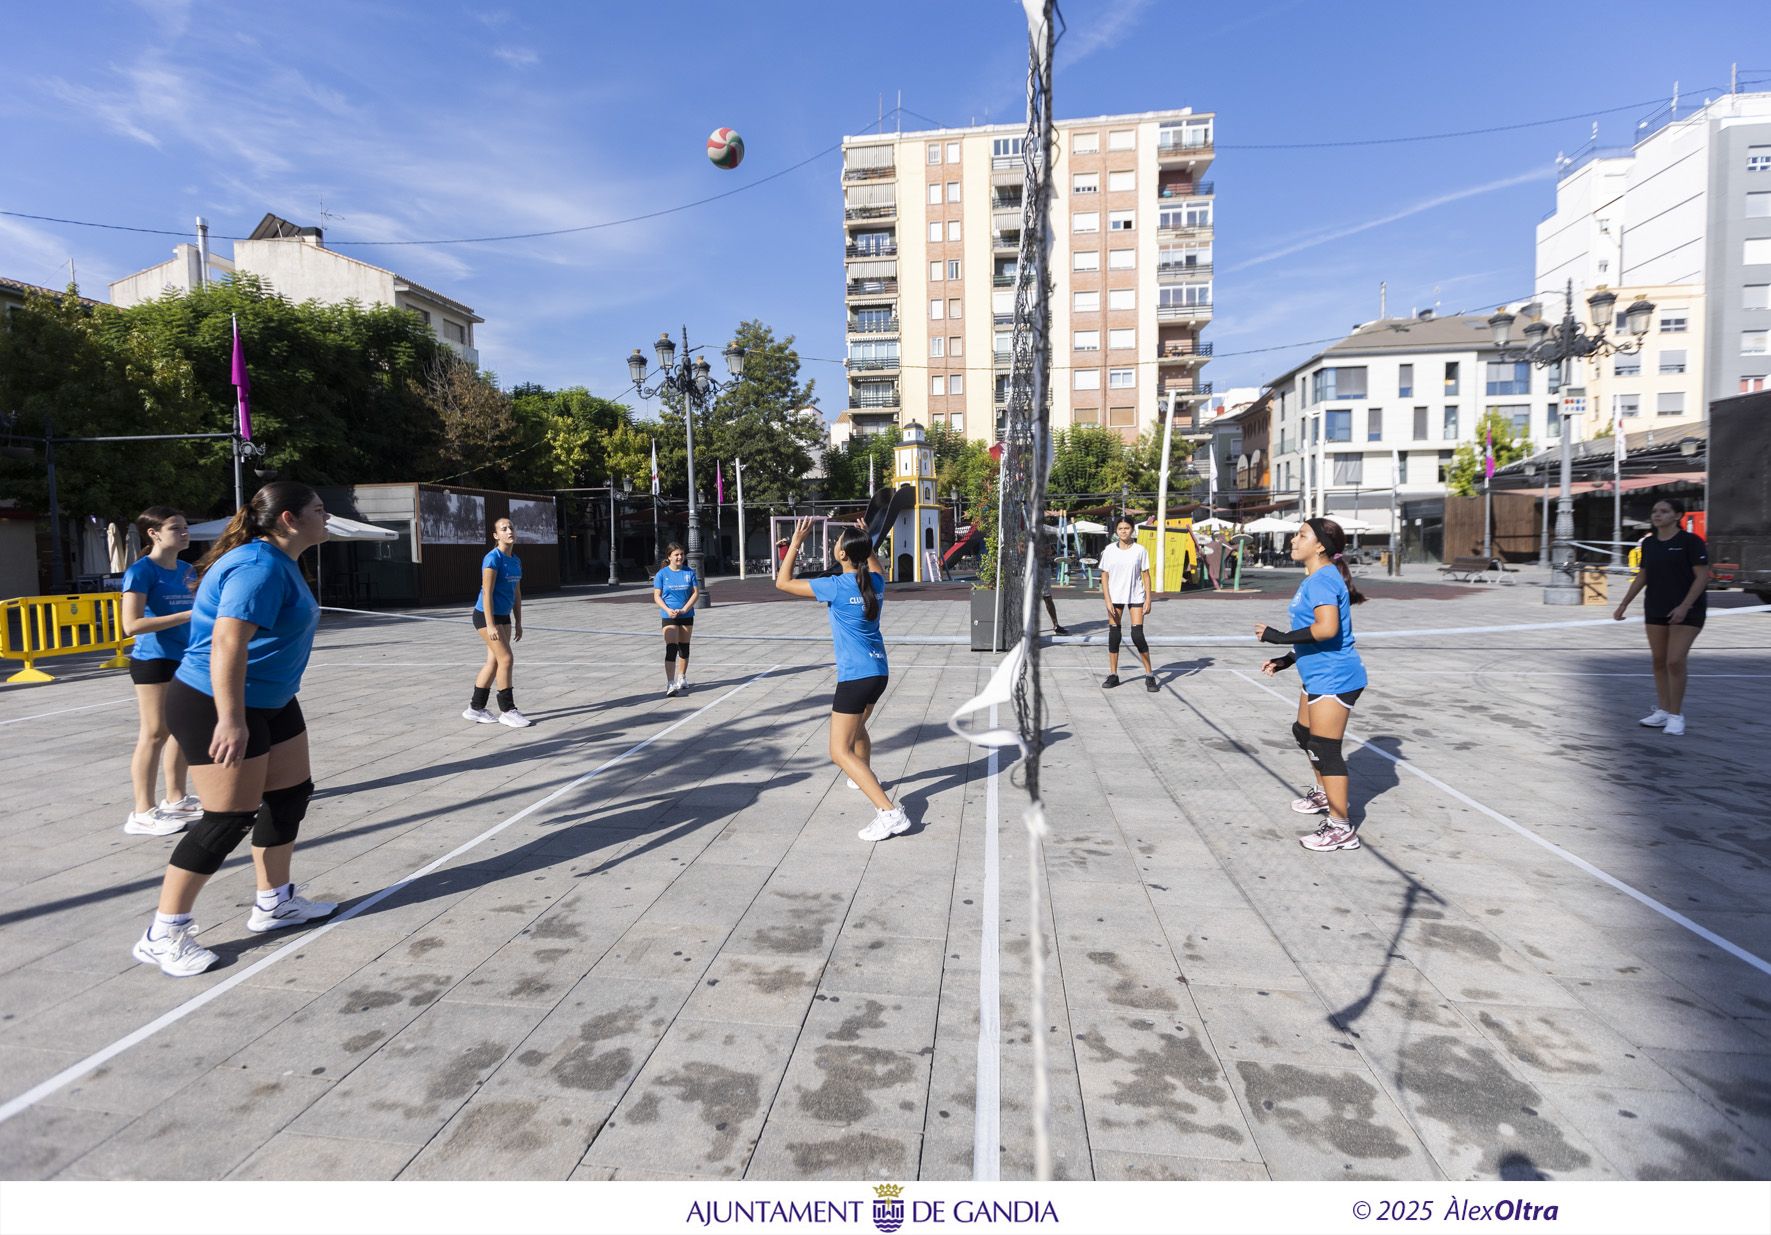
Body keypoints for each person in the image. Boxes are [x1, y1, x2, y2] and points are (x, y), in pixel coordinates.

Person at [133, 483, 336, 977]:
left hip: (270, 700)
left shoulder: (280, 560)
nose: (326, 516)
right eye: (318, 509)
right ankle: (163, 933)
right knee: (227, 818)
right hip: (215, 702)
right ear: (289, 519)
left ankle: (275, 902)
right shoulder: (258, 567)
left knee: (289, 796)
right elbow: (227, 643)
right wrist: (231, 718)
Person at [775, 516, 911, 842]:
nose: (834, 546)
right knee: (857, 728)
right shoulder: (875, 583)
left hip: (855, 677)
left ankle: (889, 813)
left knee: (838, 752)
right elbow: (877, 567)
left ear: (842, 555)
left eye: (837, 544)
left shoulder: (835, 586)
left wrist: (795, 544)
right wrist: (867, 541)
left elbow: (782, 582)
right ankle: (861, 776)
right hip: (879, 672)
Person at [1256, 517, 1369, 853]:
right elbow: (1316, 631)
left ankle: (1341, 828)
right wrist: (1288, 658)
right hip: (1317, 673)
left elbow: (1327, 629)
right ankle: (1323, 794)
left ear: (1320, 545)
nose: (1294, 540)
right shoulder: (1317, 578)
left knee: (1326, 749)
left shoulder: (1322, 580)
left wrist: (1278, 637)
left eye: (1302, 535)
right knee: (1304, 733)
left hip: (1335, 676)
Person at [119, 507, 202, 836]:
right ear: (153, 533)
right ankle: (141, 812)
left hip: (187, 658)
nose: (184, 532)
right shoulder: (141, 571)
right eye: (176, 528)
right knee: (155, 733)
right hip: (154, 660)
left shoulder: (186, 569)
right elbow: (131, 625)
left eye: (185, 527)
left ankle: (176, 798)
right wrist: (186, 616)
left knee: (182, 729)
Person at [1614, 497, 1709, 736]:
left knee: (1674, 661)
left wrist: (1684, 606)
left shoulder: (1691, 542)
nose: (1657, 515)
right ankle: (1663, 711)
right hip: (1655, 607)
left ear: (1677, 516)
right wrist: (1624, 604)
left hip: (1688, 610)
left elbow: (1702, 577)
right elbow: (1643, 575)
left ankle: (1676, 716)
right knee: (1659, 660)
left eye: (1664, 511)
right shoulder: (1649, 543)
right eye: (1655, 511)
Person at [462, 516, 530, 728]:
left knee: (494, 662)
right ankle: (508, 711)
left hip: (503, 616)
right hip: (485, 615)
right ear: (496, 535)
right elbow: (487, 593)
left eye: (511, 527)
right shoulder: (492, 559)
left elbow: (516, 593)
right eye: (504, 528)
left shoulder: (515, 561)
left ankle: (475, 708)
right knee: (506, 658)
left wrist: (518, 621)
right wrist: (490, 624)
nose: (509, 531)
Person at [1098, 515, 1157, 691]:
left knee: (1137, 635)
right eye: (1120, 528)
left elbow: (1146, 575)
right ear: (1116, 531)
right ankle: (1113, 674)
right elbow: (1104, 575)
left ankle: (1149, 675)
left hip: (1136, 595)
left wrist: (1148, 599)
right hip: (1115, 596)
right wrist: (1107, 600)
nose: (1123, 531)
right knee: (1114, 635)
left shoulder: (1140, 550)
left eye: (1127, 528)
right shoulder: (1109, 550)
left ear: (1132, 530)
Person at [652, 543, 700, 696]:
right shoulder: (662, 574)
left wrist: (685, 609)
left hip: (686, 614)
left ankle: (682, 677)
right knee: (671, 648)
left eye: (682, 554)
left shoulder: (689, 572)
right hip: (669, 616)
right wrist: (667, 610)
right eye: (676, 555)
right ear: (669, 557)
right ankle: (670, 683)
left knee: (684, 648)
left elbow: (695, 593)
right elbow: (657, 596)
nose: (680, 557)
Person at [1040, 536, 1068, 636]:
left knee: (1047, 597)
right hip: (1031, 569)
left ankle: (1056, 625)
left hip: (1043, 568)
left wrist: (1047, 551)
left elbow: (1049, 551)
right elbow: (1021, 549)